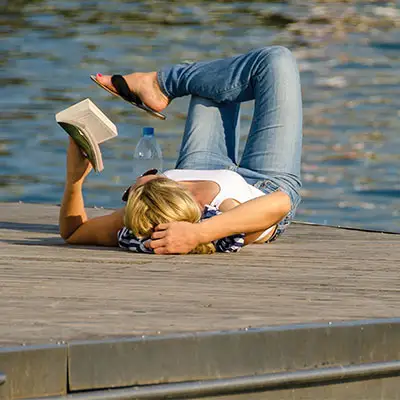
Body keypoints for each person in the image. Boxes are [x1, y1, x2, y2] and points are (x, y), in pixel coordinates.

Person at [59, 46, 303, 254]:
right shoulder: (220, 216)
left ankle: (159, 86)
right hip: (265, 182)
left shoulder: (139, 216)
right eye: (134, 190)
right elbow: (280, 203)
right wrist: (198, 233)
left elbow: (74, 232)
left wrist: (74, 180)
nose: (131, 187)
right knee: (276, 60)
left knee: (211, 79)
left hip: (198, 166)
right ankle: (162, 83)